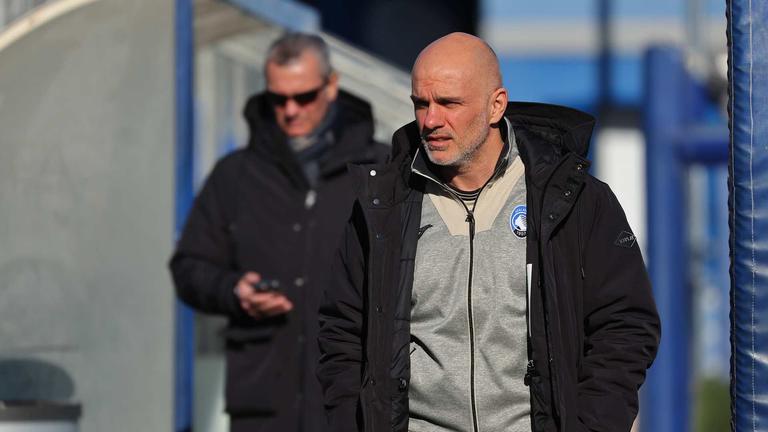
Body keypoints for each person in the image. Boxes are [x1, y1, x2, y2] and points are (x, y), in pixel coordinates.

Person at [317, 33, 660, 432]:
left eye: (448, 103)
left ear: (496, 105)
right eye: (421, 104)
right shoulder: (383, 205)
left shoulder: (573, 199)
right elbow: (341, 329)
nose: (430, 121)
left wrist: (592, 424)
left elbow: (625, 324)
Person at [169, 32, 387, 432]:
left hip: (352, 405)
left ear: (331, 86)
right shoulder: (234, 175)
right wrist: (235, 291)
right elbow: (188, 267)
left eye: (303, 96)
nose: (290, 110)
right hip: (264, 405)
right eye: (278, 98)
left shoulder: (380, 172)